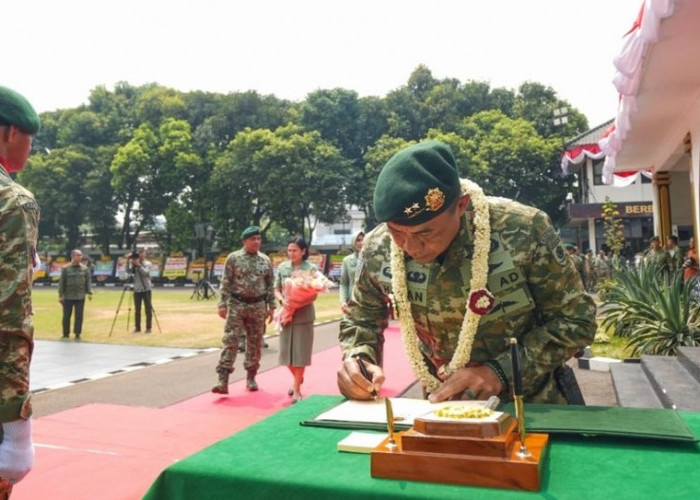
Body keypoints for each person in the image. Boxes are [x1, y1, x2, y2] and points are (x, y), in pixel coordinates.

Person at [337, 140, 596, 405]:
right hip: (442, 409)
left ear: (461, 206)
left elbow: (576, 320)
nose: (411, 247)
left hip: (531, 406)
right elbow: (362, 319)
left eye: (426, 232)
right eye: (397, 232)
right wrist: (359, 359)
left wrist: (499, 372)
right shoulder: (378, 245)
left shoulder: (523, 230)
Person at [0, 86, 41, 491]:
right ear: (10, 132)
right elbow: (10, 315)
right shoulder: (12, 201)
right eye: (30, 137)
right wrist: (17, 431)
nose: (30, 147)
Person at [212, 226, 275, 394]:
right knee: (230, 341)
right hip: (236, 305)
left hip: (258, 306)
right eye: (253, 239)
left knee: (255, 344)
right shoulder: (234, 258)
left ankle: (251, 377)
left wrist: (272, 306)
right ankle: (222, 380)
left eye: (258, 239)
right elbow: (225, 282)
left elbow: (270, 285)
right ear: (244, 241)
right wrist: (222, 304)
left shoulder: (265, 260)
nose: (256, 242)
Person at [275, 236, 319, 403]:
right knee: (285, 354)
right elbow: (276, 288)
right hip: (286, 314)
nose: (291, 253)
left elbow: (314, 293)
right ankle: (297, 379)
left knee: (300, 353)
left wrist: (298, 301)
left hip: (304, 314)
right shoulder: (282, 267)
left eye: (294, 250)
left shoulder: (311, 268)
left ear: (303, 251)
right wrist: (282, 300)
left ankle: (297, 391)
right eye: (289, 250)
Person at [58, 249, 93, 339]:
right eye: (78, 255)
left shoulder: (85, 269)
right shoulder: (66, 268)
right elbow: (62, 282)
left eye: (81, 255)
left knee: (79, 316)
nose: (80, 257)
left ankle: (77, 333)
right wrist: (61, 295)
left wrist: (89, 292)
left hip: (80, 296)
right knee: (66, 316)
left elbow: (88, 282)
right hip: (68, 296)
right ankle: (66, 333)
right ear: (73, 256)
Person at [127, 249, 153, 333]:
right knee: (137, 310)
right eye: (139, 254)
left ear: (144, 254)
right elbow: (128, 271)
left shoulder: (148, 263)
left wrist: (138, 265)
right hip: (137, 289)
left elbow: (145, 273)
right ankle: (137, 327)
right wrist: (128, 261)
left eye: (142, 253)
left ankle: (148, 328)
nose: (140, 255)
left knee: (148, 309)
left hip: (146, 288)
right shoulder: (134, 264)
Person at [339, 231, 365, 315]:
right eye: (358, 240)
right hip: (352, 304)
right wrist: (343, 301)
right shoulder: (347, 260)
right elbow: (344, 283)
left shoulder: (372, 259)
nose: (361, 243)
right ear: (353, 242)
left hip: (370, 305)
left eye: (363, 240)